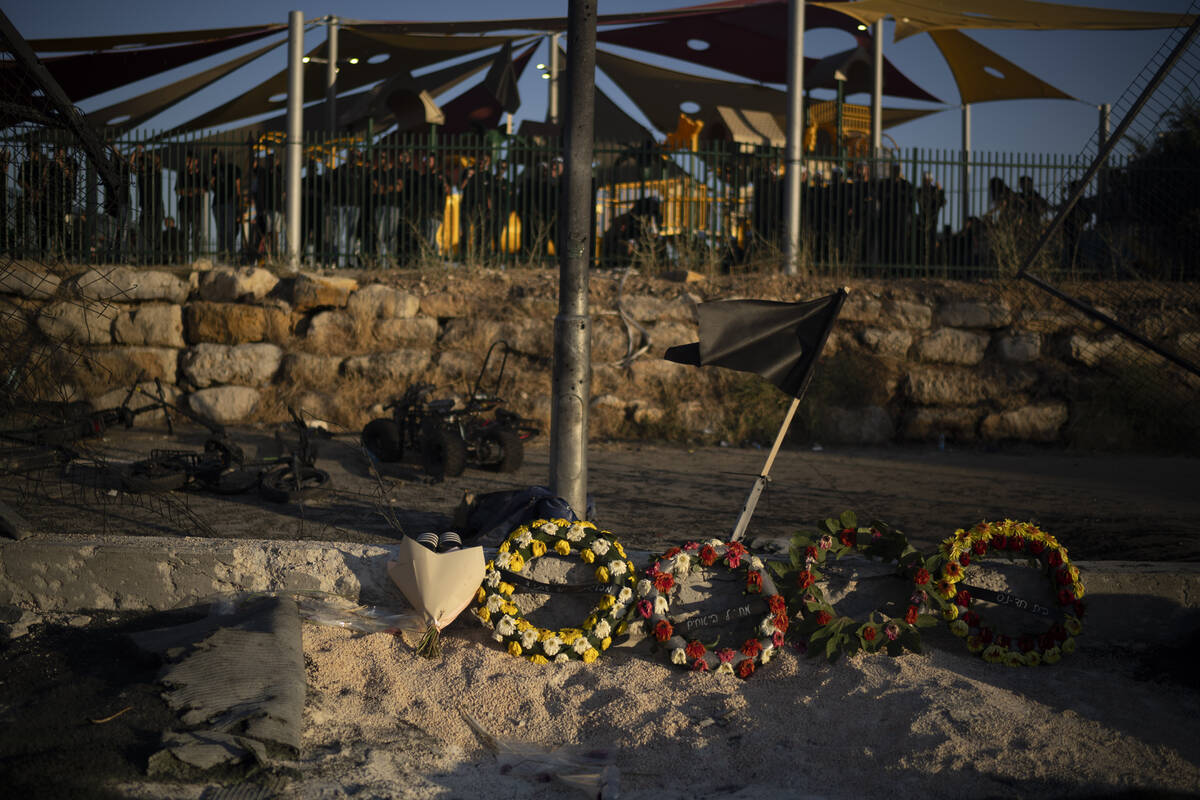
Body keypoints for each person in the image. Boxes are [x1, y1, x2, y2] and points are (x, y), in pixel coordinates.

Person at [209, 148, 241, 264]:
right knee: (222, 231)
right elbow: (211, 184)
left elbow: (238, 188)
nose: (214, 161)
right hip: (219, 203)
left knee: (228, 231)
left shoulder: (233, 169)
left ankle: (230, 255)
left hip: (228, 202)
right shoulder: (215, 171)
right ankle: (223, 256)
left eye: (215, 159)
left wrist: (237, 203)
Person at [175, 150, 205, 263]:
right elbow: (178, 191)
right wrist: (191, 191)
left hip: (196, 207)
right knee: (184, 233)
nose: (188, 162)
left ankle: (196, 258)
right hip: (184, 207)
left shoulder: (200, 175)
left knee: (196, 233)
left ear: (195, 161)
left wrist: (189, 191)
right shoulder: (182, 174)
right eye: (187, 160)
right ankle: (184, 258)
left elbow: (203, 190)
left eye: (190, 160)